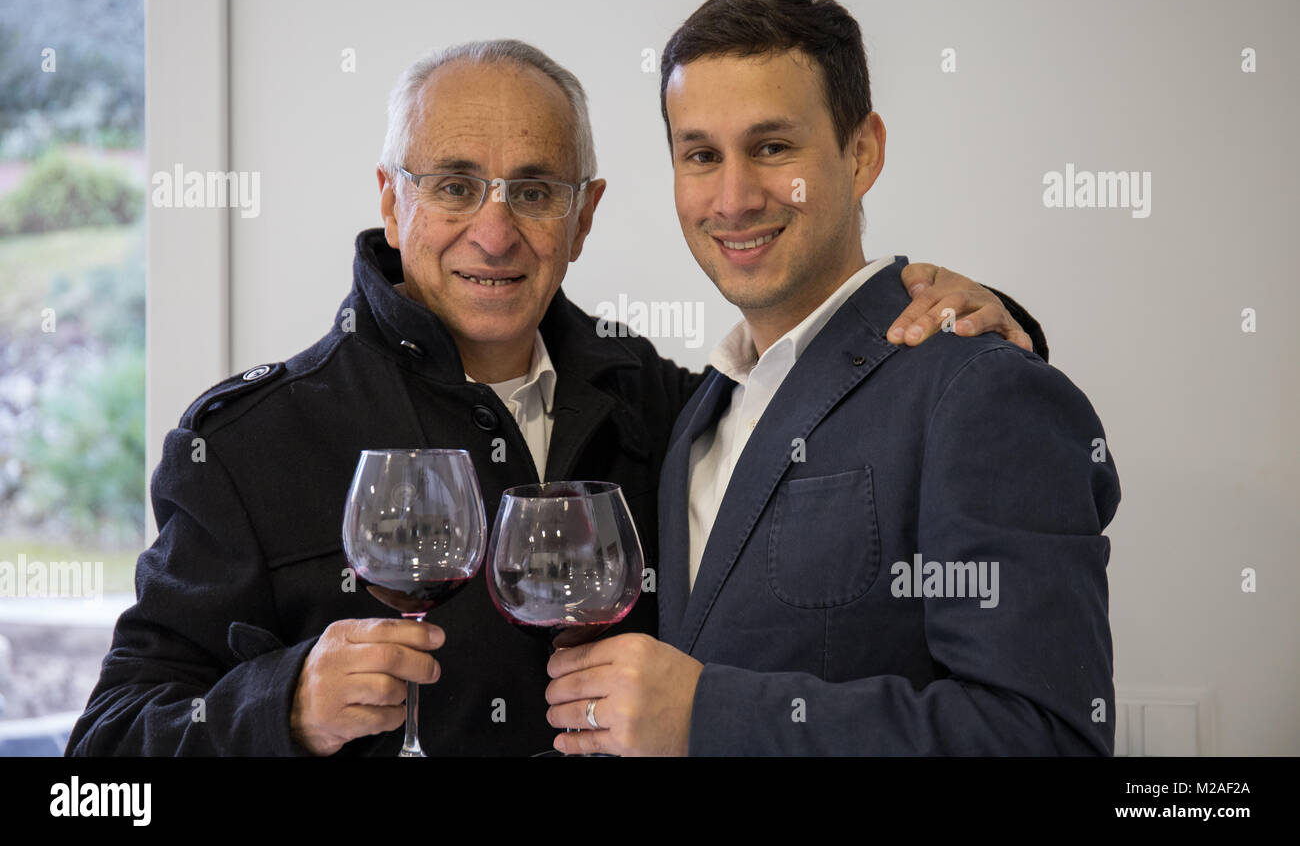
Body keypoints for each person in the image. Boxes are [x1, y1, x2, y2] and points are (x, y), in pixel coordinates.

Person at [67, 38, 1045, 756]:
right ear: (389, 196)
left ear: (585, 215)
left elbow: (833, 399)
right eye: (455, 185)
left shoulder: (673, 408)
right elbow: (100, 762)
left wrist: (981, 324)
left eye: (534, 190)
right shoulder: (245, 443)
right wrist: (278, 707)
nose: (495, 233)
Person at [545, 0, 1119, 756]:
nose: (734, 197)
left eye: (773, 147)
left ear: (862, 151)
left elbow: (1046, 738)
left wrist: (707, 714)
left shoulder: (981, 389)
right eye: (701, 156)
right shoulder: (694, 414)